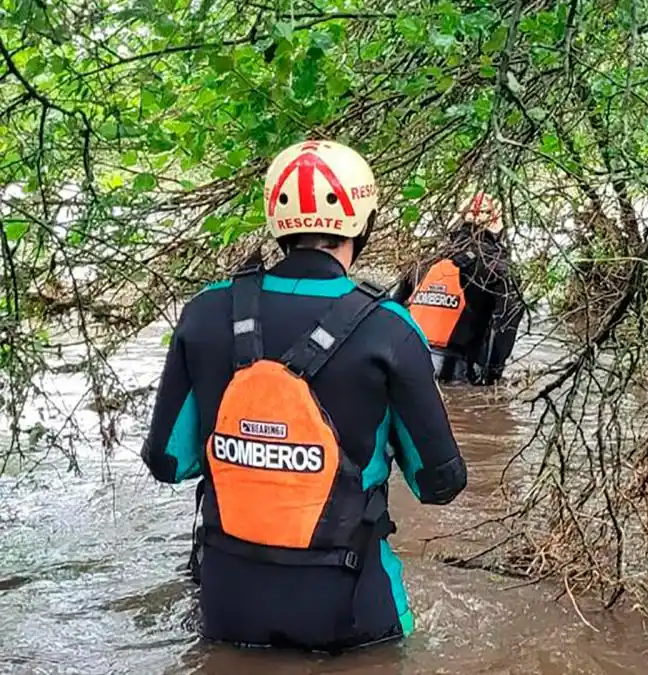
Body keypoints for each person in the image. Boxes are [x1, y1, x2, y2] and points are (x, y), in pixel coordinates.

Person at [141, 139, 466, 653]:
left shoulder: (204, 312)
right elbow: (440, 483)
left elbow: (167, 462)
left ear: (276, 222)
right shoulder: (390, 329)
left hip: (226, 608)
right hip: (354, 615)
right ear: (364, 222)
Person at [392, 191, 525, 385]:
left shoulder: (424, 260)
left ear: (460, 219)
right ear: (499, 225)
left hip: (404, 367)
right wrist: (491, 382)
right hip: (458, 376)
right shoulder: (500, 269)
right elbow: (505, 328)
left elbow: (390, 311)